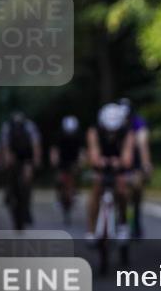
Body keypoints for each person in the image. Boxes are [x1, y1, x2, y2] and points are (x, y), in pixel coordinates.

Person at [85, 103, 135, 242]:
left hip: (119, 167)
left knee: (123, 191)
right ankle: (91, 229)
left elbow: (128, 156)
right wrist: (98, 161)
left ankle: (123, 224)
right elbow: (93, 152)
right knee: (96, 190)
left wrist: (120, 162)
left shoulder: (127, 132)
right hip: (101, 167)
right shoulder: (94, 130)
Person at [0, 111, 42, 228]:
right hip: (15, 157)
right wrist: (7, 158)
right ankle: (9, 193)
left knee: (26, 183)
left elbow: (35, 145)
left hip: (26, 158)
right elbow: (5, 146)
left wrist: (35, 160)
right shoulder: (8, 127)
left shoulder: (29, 127)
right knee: (12, 180)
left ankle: (26, 209)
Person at [119, 98, 152, 239]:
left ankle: (136, 219)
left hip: (135, 161)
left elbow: (143, 143)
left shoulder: (138, 123)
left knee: (137, 188)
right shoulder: (113, 122)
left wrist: (146, 163)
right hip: (117, 161)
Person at [50, 116, 84, 225]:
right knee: (58, 179)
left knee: (75, 175)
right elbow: (54, 150)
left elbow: (82, 151)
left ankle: (74, 191)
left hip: (73, 160)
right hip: (62, 161)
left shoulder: (79, 136)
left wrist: (81, 162)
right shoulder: (59, 135)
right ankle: (59, 196)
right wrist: (54, 160)